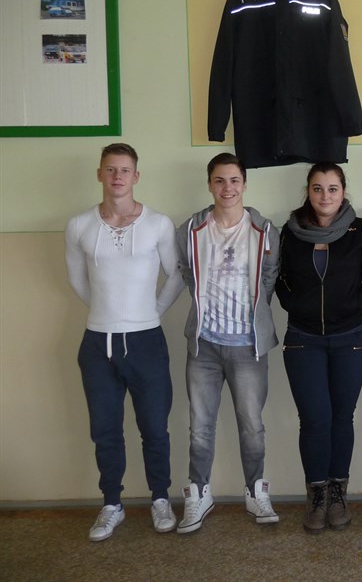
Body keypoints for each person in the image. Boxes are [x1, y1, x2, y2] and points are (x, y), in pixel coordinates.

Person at [65, 143, 183, 541]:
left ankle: (160, 498)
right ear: (99, 174)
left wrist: (150, 312)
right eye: (111, 169)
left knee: (155, 428)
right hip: (97, 344)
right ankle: (111, 504)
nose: (118, 176)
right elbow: (77, 280)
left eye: (125, 170)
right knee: (105, 430)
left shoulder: (158, 224)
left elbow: (176, 275)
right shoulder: (79, 225)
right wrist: (107, 313)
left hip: (147, 341)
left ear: (136, 176)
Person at [175, 153, 280, 533]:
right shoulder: (190, 229)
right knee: (200, 427)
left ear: (244, 184)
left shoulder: (264, 230)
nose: (227, 188)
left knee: (252, 426)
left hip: (248, 346)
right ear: (209, 184)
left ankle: (255, 492)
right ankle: (199, 493)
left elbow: (268, 279)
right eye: (219, 180)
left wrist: (252, 317)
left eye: (234, 180)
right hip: (203, 347)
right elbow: (188, 274)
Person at [275, 163, 362, 534]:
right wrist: (295, 304)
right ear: (308, 191)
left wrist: (357, 302)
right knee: (314, 419)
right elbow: (279, 279)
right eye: (318, 188)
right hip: (303, 338)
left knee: (341, 417)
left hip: (352, 338)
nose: (325, 196)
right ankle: (317, 494)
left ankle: (338, 493)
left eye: (332, 188)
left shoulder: (361, 230)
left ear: (343, 191)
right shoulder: (290, 231)